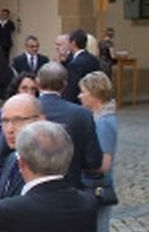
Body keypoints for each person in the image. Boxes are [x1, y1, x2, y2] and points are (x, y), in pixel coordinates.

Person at [78, 70, 117, 232]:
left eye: (83, 91)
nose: (80, 96)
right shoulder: (100, 118)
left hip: (98, 187)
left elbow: (104, 163)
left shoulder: (104, 123)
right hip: (94, 185)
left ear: (94, 94)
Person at [36, 63, 103, 191]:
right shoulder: (82, 114)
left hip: (29, 187)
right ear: (65, 85)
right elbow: (93, 161)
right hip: (69, 186)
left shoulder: (23, 109)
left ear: (37, 83)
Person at [0, 72, 40, 183]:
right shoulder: (1, 114)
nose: (29, 93)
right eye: (24, 88)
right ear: (16, 90)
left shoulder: (40, 115)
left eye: (33, 89)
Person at [62, 29, 101, 104]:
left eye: (68, 42)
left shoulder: (75, 64)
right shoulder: (93, 59)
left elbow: (72, 88)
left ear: (73, 43)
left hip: (79, 102)